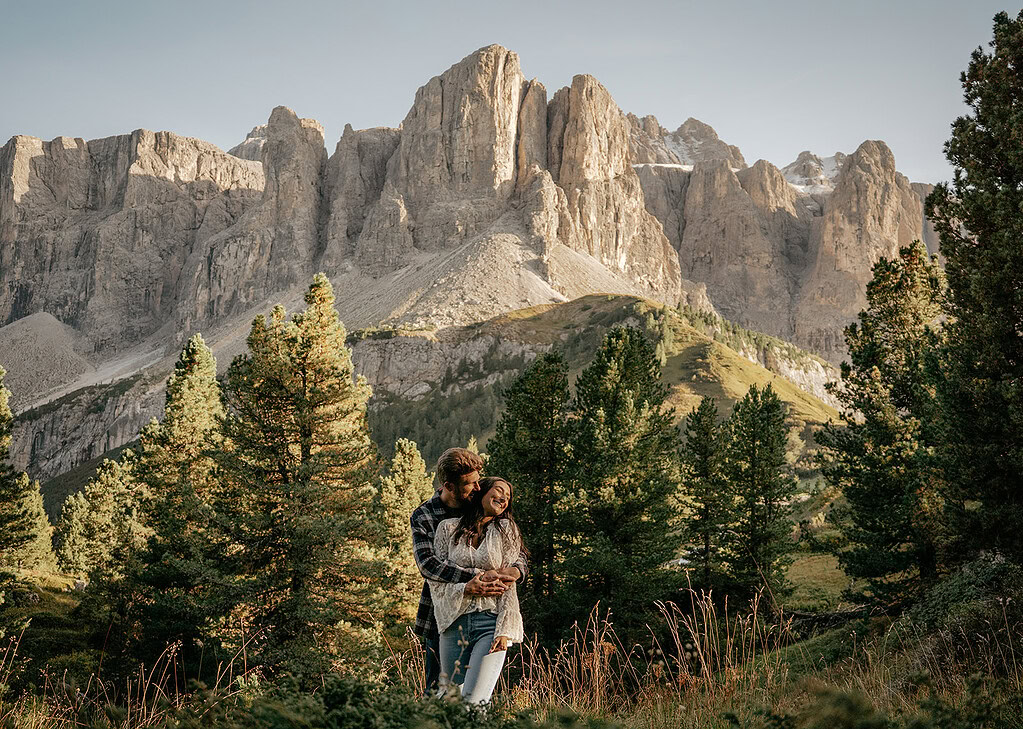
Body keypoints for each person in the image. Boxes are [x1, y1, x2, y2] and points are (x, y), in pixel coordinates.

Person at [411, 448, 526, 696]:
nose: (476, 488)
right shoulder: (425, 515)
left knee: (474, 698)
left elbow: (514, 550)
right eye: (469, 484)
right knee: (438, 695)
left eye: (477, 481)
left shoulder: (478, 503)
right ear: (448, 486)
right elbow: (428, 564)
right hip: (441, 615)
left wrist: (517, 570)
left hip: (487, 614)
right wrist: (473, 579)